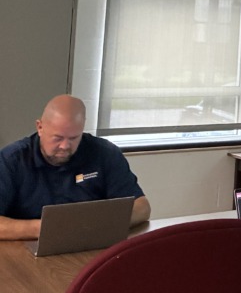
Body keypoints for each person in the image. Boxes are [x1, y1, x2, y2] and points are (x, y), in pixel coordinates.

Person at [0, 94, 151, 240]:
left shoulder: (104, 153)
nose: (65, 146)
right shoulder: (11, 160)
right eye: (57, 138)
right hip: (26, 248)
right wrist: (46, 228)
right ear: (40, 127)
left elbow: (142, 207)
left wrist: (99, 224)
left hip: (88, 242)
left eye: (73, 138)